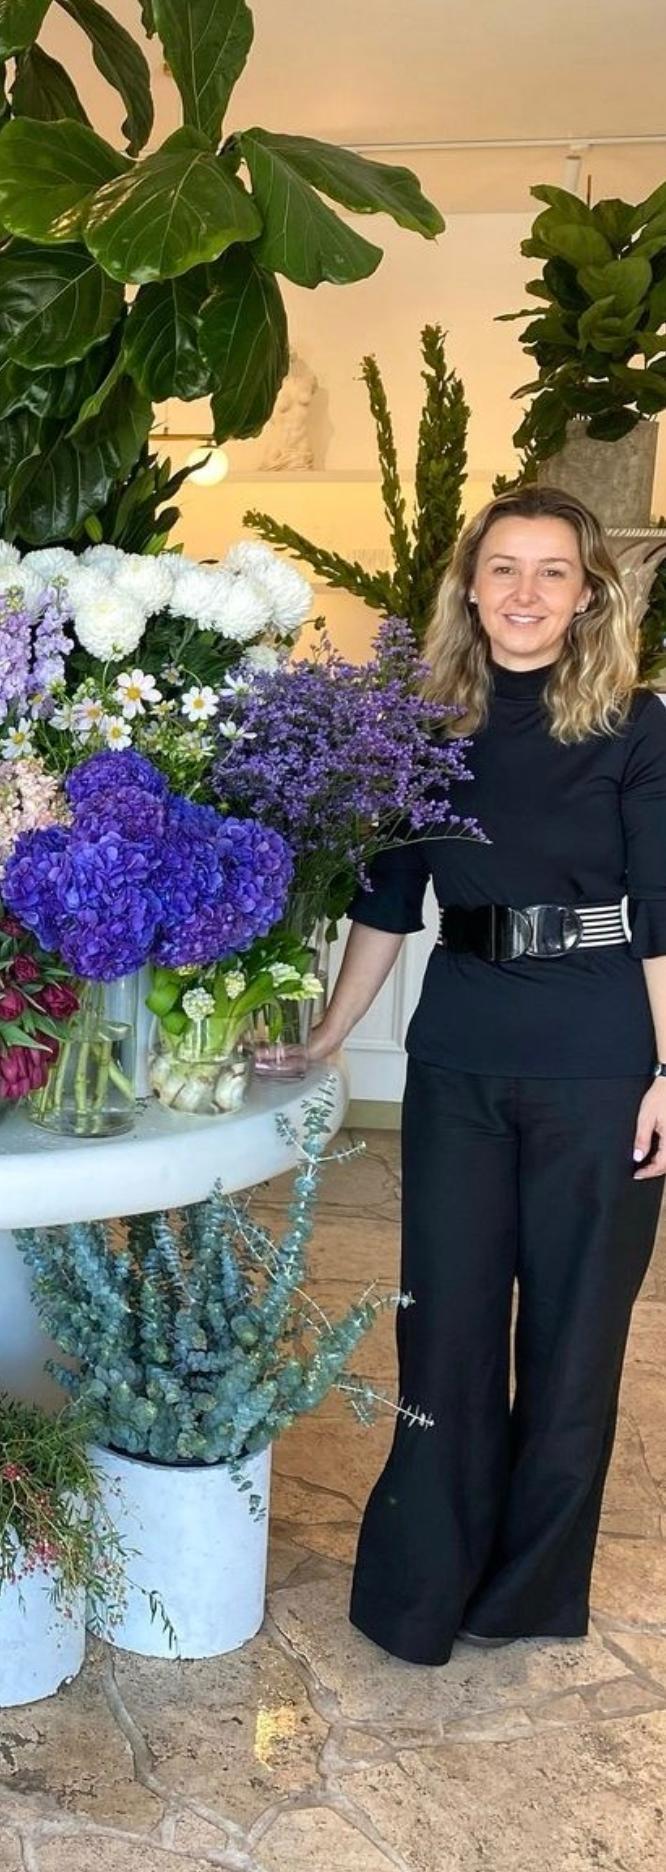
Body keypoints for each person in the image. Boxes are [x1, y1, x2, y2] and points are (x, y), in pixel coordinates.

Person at [306, 483, 666, 1665]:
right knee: (444, 1328)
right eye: (502, 568)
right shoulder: (422, 726)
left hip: (601, 1064)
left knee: (571, 1342)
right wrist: (322, 1035)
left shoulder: (637, 725)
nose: (523, 592)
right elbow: (384, 905)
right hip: (457, 1060)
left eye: (550, 571)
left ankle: (524, 1594)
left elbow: (660, 914)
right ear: (469, 585)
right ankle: (420, 1589)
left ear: (587, 590)